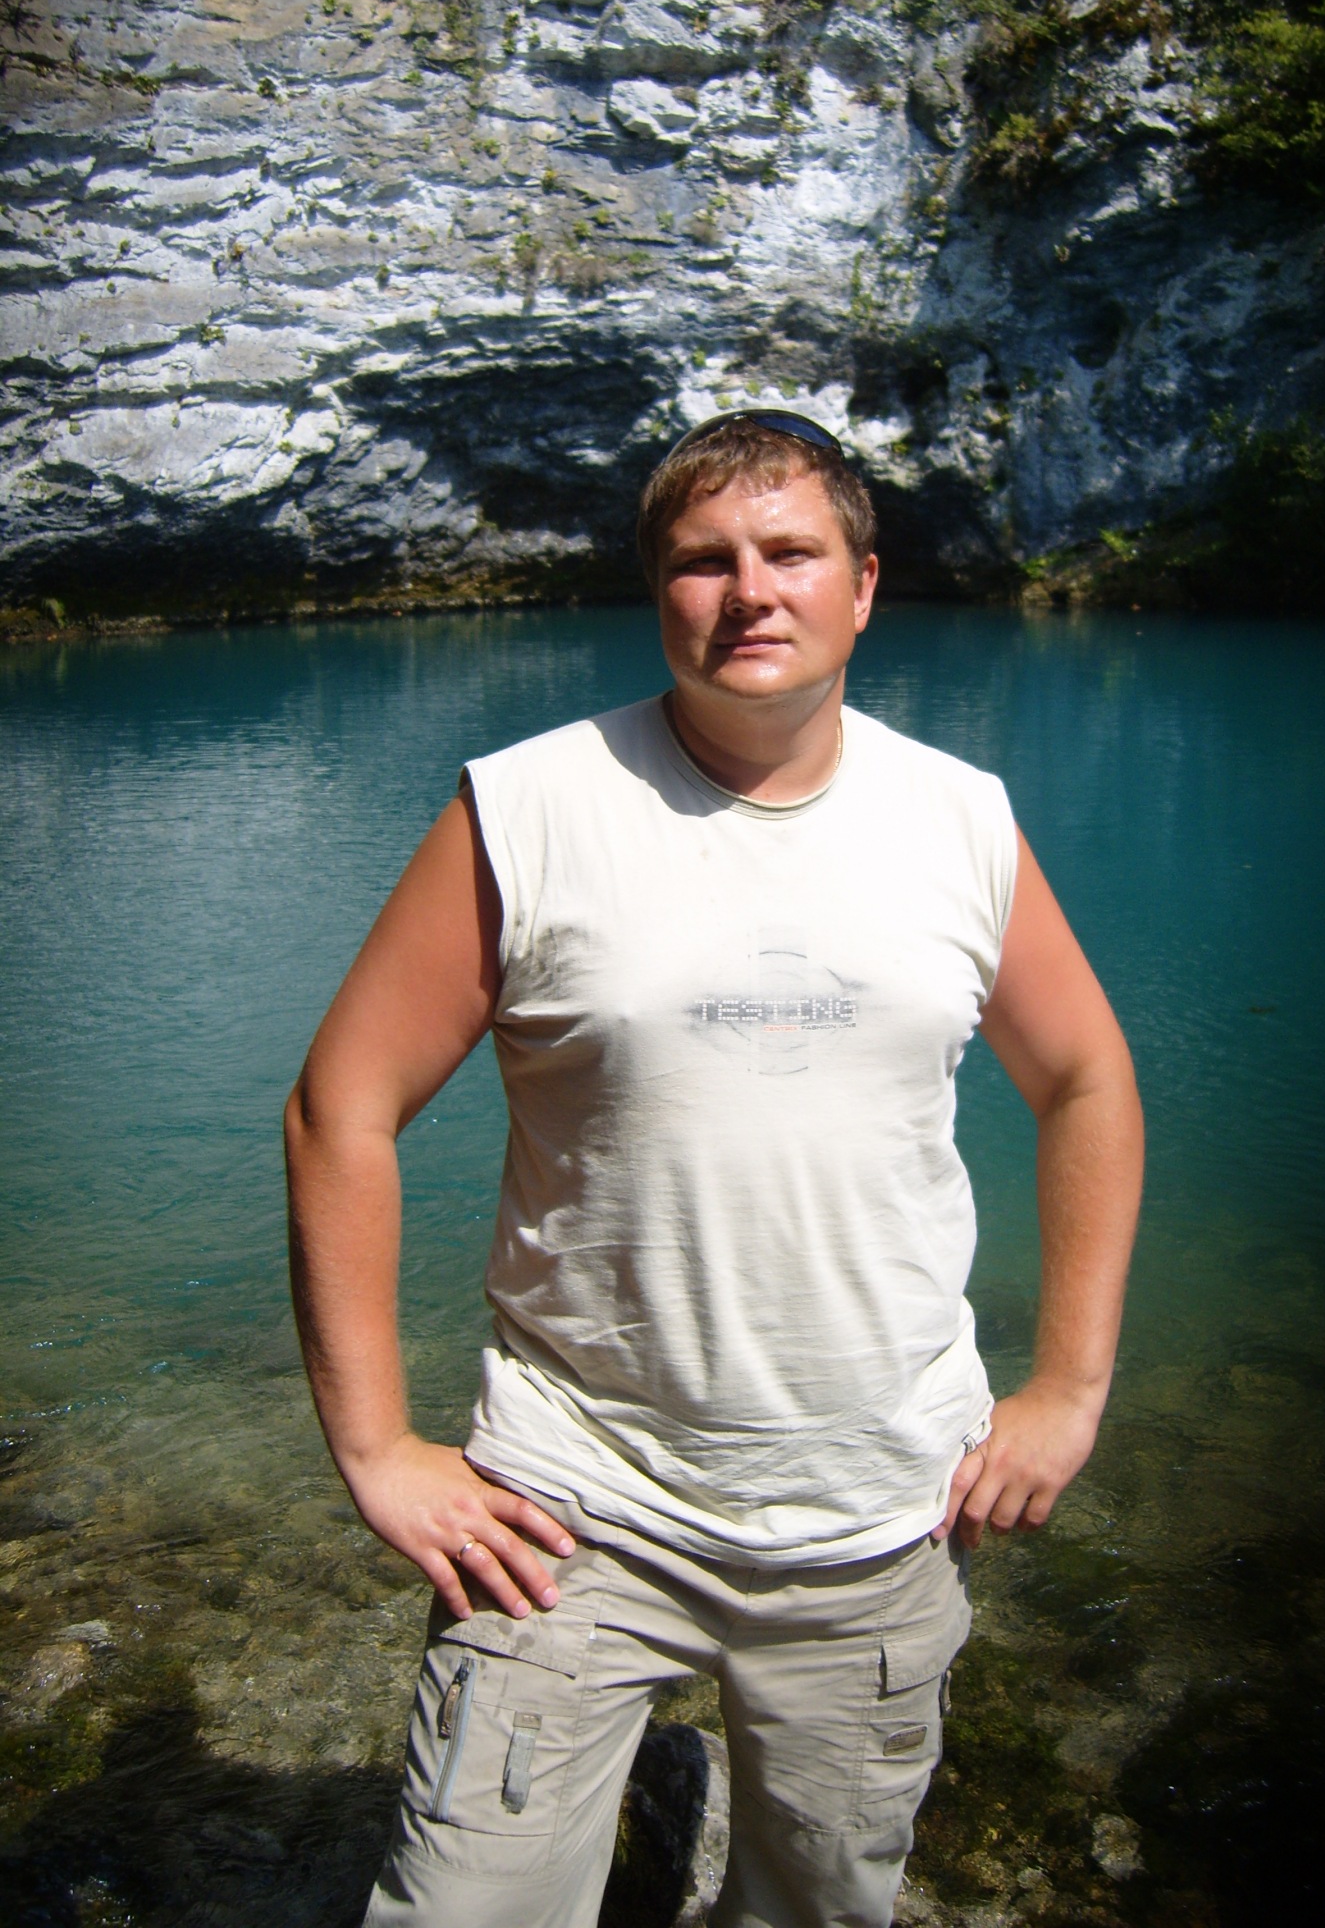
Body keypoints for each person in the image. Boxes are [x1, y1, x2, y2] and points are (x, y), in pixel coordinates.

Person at [284, 411, 1143, 1928]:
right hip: (572, 1511)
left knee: (818, 1905)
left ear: (861, 586)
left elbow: (1085, 1079)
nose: (750, 590)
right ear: (659, 591)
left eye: (790, 552)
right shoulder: (527, 809)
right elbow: (340, 1107)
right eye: (703, 560)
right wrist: (377, 1447)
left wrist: (1069, 1388)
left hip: (875, 1511)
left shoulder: (961, 819)